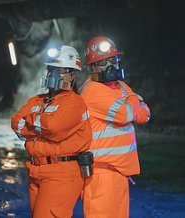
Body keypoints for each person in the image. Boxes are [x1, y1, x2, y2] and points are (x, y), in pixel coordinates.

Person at [11, 45, 92, 217]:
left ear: (72, 75)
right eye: (51, 69)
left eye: (60, 71)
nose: (53, 74)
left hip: (61, 174)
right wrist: (41, 127)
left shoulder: (74, 103)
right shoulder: (37, 100)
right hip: (35, 169)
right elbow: (16, 123)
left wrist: (32, 121)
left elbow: (54, 128)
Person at [78, 36, 151, 218]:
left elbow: (145, 114)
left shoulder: (119, 86)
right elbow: (127, 113)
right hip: (101, 174)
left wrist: (131, 105)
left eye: (113, 60)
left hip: (119, 173)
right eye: (103, 62)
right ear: (92, 66)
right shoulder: (92, 90)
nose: (110, 66)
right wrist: (134, 99)